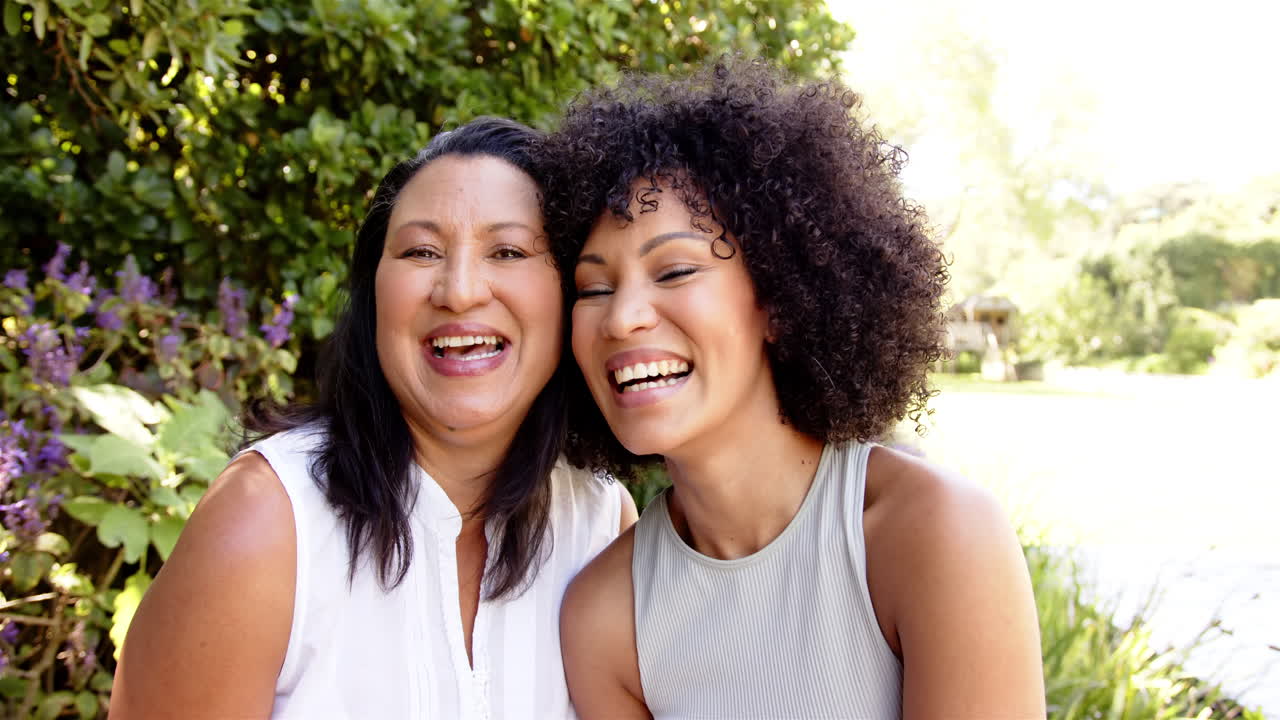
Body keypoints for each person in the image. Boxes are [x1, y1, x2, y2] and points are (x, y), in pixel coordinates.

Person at [537, 59, 1046, 719]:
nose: (622, 316)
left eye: (675, 271)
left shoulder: (930, 535)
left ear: (779, 298)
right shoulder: (604, 618)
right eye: (593, 287)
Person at [110, 117, 637, 719]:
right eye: (421, 251)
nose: (459, 291)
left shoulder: (599, 522)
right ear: (374, 295)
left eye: (509, 251)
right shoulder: (268, 521)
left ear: (572, 293)